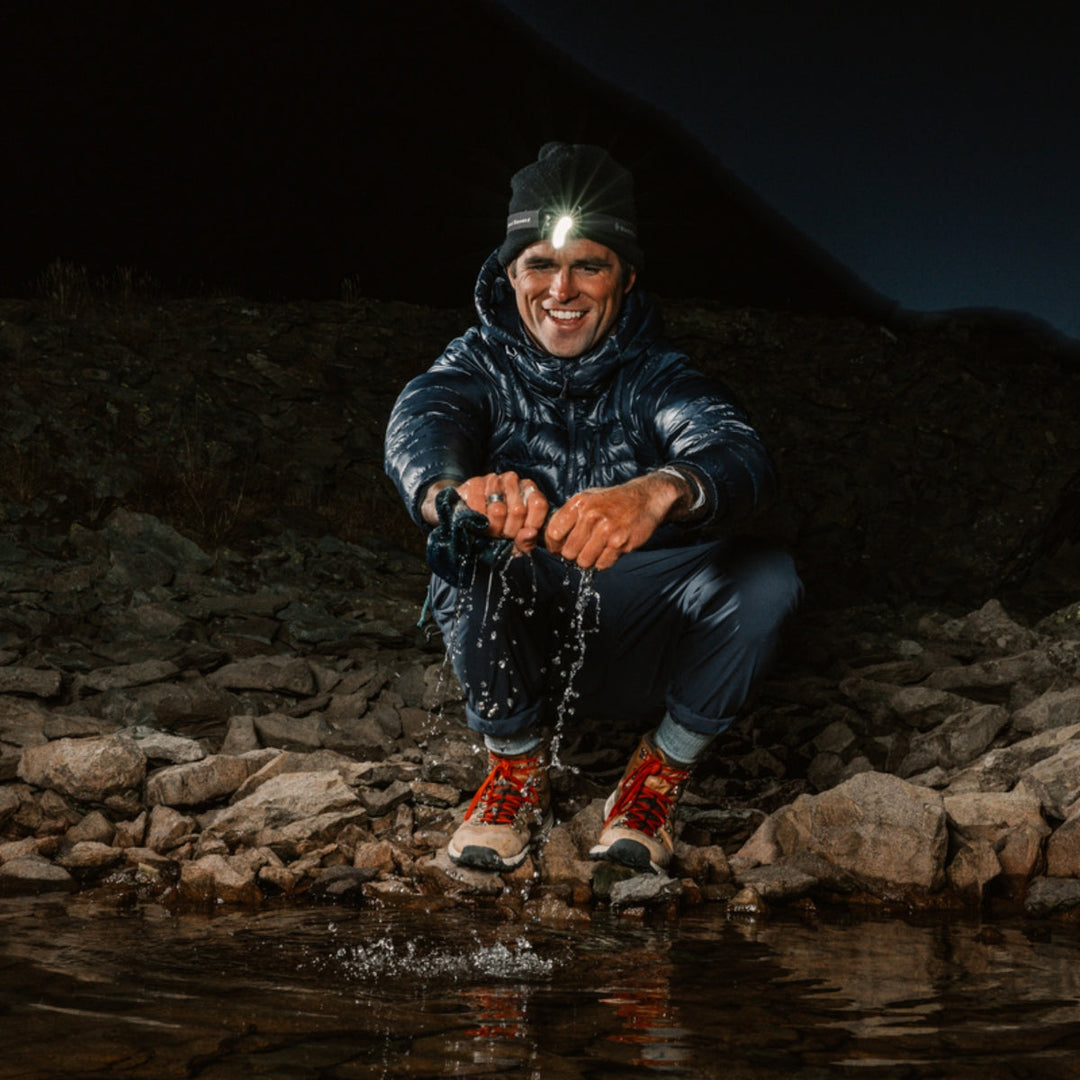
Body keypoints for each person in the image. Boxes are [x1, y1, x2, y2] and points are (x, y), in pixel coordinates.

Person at [384, 142, 800, 876]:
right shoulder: (475, 365)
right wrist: (451, 494)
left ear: (626, 277)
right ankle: (513, 768)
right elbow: (424, 418)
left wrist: (658, 489)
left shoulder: (661, 376)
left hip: (644, 631)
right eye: (539, 263)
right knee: (468, 548)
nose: (561, 289)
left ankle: (657, 775)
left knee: (767, 577)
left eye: (589, 265)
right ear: (510, 273)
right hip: (531, 633)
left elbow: (737, 450)